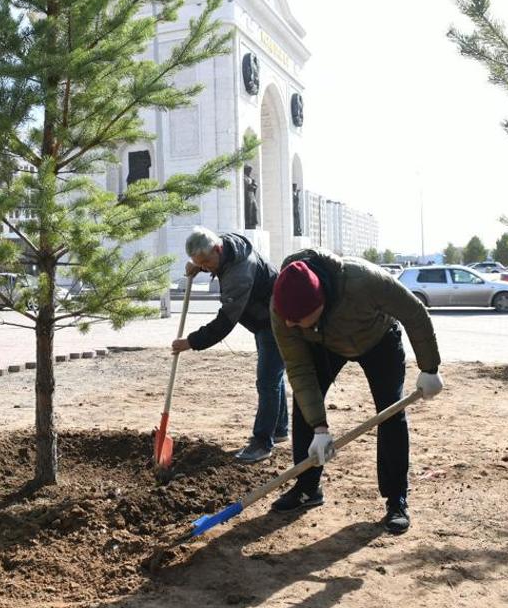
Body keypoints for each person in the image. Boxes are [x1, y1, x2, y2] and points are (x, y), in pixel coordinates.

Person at [269, 249, 444, 534]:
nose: (289, 324)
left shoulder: (362, 280)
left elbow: (413, 312)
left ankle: (396, 498)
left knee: (391, 413)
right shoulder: (282, 307)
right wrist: (320, 427)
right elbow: (299, 369)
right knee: (304, 407)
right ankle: (307, 488)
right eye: (286, 318)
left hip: (378, 339)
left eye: (296, 319)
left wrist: (430, 368)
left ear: (320, 301)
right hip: (325, 344)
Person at [171, 227, 288, 463]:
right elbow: (211, 260)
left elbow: (224, 323)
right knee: (272, 377)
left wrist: (191, 341)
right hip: (264, 317)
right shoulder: (226, 248)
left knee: (266, 381)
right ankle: (279, 428)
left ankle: (262, 443)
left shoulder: (239, 274)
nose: (205, 267)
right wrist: (197, 265)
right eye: (199, 263)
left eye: (206, 261)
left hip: (275, 321)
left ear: (217, 249)